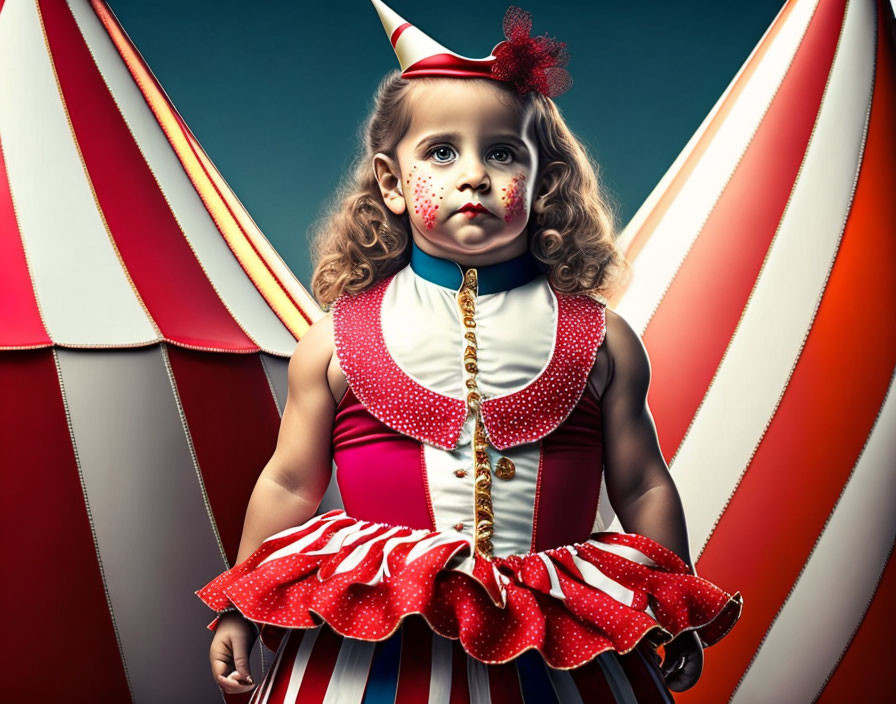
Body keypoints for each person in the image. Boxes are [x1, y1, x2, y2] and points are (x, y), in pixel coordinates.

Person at [196, 2, 742, 701]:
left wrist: (674, 604)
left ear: (544, 181)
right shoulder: (333, 340)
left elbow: (642, 484)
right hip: (372, 656)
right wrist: (241, 603)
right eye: (442, 152)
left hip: (561, 646)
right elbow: (288, 484)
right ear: (391, 184)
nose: (476, 175)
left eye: (504, 153)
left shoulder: (603, 340)